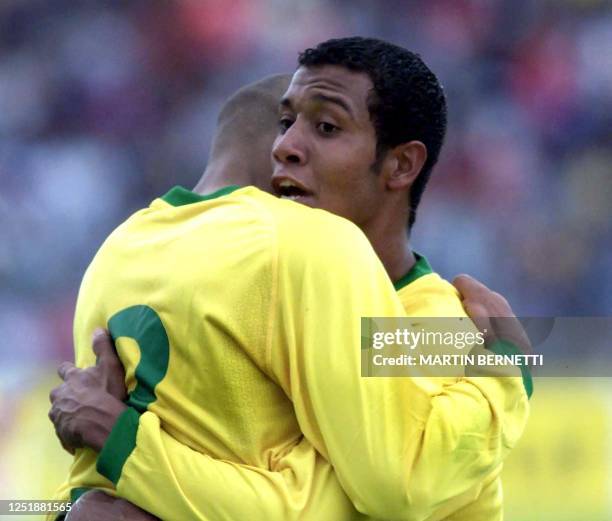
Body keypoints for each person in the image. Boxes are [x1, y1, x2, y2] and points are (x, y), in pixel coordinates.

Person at [49, 38, 530, 521]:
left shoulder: (439, 328)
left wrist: (508, 370)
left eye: (326, 127)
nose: (284, 148)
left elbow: (388, 489)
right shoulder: (266, 281)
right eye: (285, 124)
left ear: (401, 164)